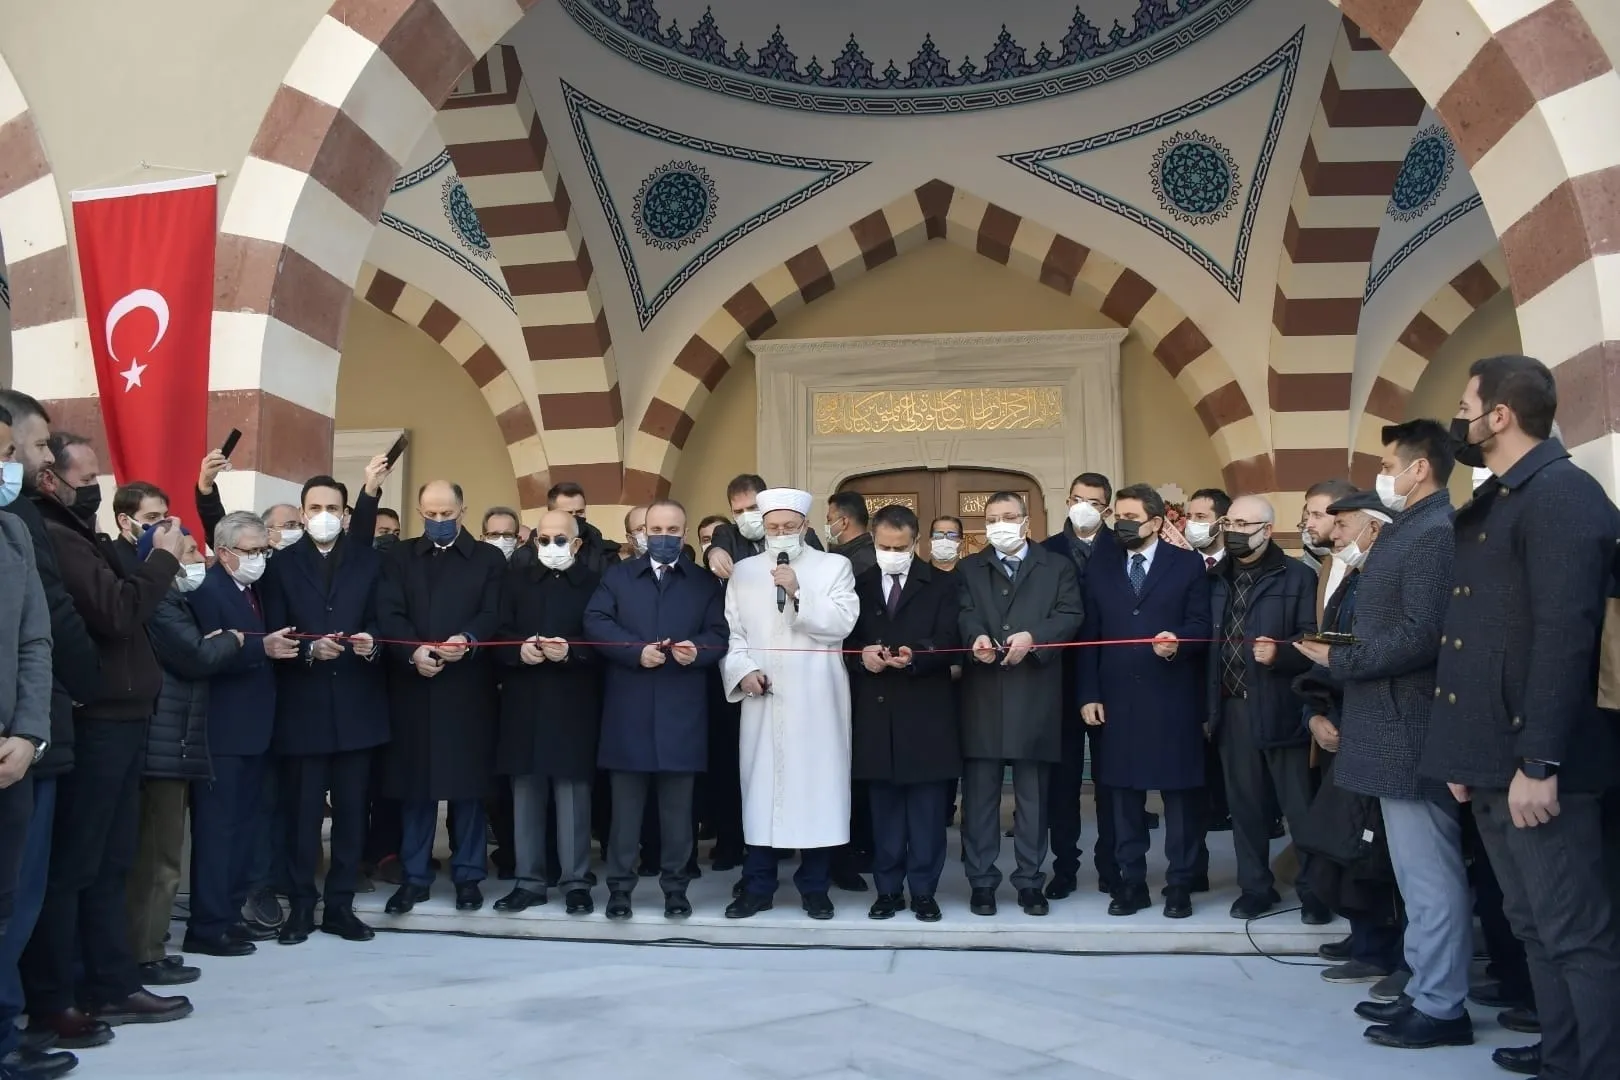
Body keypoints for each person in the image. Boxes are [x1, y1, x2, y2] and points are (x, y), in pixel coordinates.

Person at [1427, 355, 1620, 1080]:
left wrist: (1540, 763)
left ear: (1499, 415)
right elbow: (1476, 641)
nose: (1461, 417)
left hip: (1542, 766)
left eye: (1466, 403)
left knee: (1576, 932)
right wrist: (1464, 763)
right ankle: (1562, 1052)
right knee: (1534, 925)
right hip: (1491, 760)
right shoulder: (1507, 499)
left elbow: (1566, 639)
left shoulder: (1562, 495)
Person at [1295, 419, 1468, 1050]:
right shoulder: (1410, 531)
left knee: (1429, 878)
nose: (1383, 475)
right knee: (1414, 875)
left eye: (1389, 463)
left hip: (1407, 725)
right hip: (1387, 724)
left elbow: (1422, 635)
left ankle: (1443, 1004)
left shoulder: (1430, 535)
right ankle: (1427, 992)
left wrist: (1337, 660)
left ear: (1418, 468)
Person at [22, 432, 193, 1040]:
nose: (93, 487)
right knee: (77, 863)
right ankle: (59, 994)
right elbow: (119, 611)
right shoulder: (54, 535)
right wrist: (162, 559)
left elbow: (125, 592)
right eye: (84, 476)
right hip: (94, 719)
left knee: (113, 859)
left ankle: (112, 982)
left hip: (123, 717)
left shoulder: (83, 534)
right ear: (52, 479)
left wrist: (146, 551)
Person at [0, 392, 99, 1078]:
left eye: (17, 451)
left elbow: (35, 639)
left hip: (15, 750)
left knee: (10, 903)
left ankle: (4, 1036)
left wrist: (27, 732)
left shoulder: (11, 533)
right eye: (13, 452)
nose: (18, 466)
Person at [260, 467, 391, 945]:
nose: (323, 516)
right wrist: (309, 652)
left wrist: (371, 641)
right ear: (301, 512)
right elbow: (274, 631)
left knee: (354, 812)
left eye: (332, 508)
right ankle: (299, 906)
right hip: (304, 709)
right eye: (314, 508)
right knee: (302, 815)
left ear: (345, 513)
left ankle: (340, 906)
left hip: (358, 707)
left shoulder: (369, 561)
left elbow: (383, 619)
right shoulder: (279, 565)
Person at [585, 499, 727, 920]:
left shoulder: (702, 583)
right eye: (656, 529)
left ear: (684, 534)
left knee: (678, 812)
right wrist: (634, 651)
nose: (663, 537)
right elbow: (595, 622)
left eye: (672, 529)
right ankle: (620, 890)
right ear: (642, 532)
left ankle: (676, 888)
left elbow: (720, 632)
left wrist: (697, 651)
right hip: (628, 708)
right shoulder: (619, 577)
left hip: (682, 709)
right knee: (625, 811)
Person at [721, 488, 859, 920]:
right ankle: (758, 886)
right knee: (762, 795)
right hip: (763, 698)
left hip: (817, 699)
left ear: (806, 527)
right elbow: (735, 633)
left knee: (816, 793)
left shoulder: (834, 566)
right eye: (773, 527)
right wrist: (743, 670)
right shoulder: (743, 572)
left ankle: (815, 888)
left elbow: (842, 624)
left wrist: (799, 593)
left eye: (789, 527)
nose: (780, 535)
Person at [1078, 484, 1211, 918]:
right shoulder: (1101, 565)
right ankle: (1130, 883)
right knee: (1121, 798)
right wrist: (1089, 693)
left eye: (1132, 516)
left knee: (1179, 798)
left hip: (1172, 698)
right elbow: (1088, 636)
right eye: (1118, 514)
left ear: (1156, 522)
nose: (1122, 522)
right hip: (1116, 700)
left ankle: (1180, 885)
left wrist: (1179, 644)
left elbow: (1200, 625)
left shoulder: (1187, 564)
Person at [376, 481, 506, 915]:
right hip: (414, 682)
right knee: (417, 787)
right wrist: (413, 651)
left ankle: (469, 875)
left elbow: (493, 612)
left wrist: (466, 639)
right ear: (419, 511)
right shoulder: (399, 557)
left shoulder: (487, 558)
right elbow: (388, 612)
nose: (439, 522)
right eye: (430, 514)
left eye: (447, 514)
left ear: (463, 511)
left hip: (467, 686)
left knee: (467, 787)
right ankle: (414, 876)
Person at [1294, 490, 1404, 987]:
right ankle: (1363, 939)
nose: (1334, 536)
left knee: (1378, 851)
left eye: (1342, 526)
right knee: (1341, 842)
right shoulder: (1354, 579)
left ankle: (1388, 951)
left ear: (1374, 529)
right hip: (1344, 726)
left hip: (1386, 733)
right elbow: (1332, 650)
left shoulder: (1392, 581)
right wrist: (1316, 712)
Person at [957, 491, 1083, 918]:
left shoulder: (1057, 566)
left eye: (1009, 516)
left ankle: (1030, 881)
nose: (1000, 524)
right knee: (980, 798)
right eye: (992, 518)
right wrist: (973, 637)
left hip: (1036, 694)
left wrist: (1036, 638)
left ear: (1026, 521)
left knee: (1033, 800)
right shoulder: (968, 568)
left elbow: (1071, 614)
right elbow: (963, 612)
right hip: (983, 695)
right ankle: (982, 881)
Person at [181, 512, 299, 957]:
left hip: (255, 731)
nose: (258, 559)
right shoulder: (208, 591)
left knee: (244, 829)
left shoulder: (249, 591)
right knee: (217, 833)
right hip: (222, 732)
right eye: (250, 552)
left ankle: (229, 916)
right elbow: (207, 653)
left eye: (262, 550)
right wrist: (259, 647)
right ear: (225, 552)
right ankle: (207, 926)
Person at [1204, 496, 1322, 921]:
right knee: (1246, 807)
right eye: (1229, 522)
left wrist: (1283, 654)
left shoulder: (1297, 577)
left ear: (1267, 530)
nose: (1233, 530)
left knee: (1299, 809)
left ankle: (1314, 892)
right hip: (1232, 708)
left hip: (1282, 705)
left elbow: (1313, 640)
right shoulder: (1216, 578)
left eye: (1243, 523)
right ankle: (1255, 888)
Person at [844, 505, 961, 922]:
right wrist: (863, 657)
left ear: (916, 543)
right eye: (884, 546)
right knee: (885, 812)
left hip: (926, 713)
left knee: (928, 815)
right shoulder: (857, 584)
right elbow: (843, 640)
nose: (892, 552)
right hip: (876, 713)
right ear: (874, 541)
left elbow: (952, 638)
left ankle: (924, 892)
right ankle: (887, 890)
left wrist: (918, 655)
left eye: (900, 546)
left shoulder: (943, 585)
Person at [131, 525, 233, 986]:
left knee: (164, 856)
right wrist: (232, 638)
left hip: (175, 741)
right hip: (162, 744)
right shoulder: (161, 602)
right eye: (190, 550)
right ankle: (145, 953)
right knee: (160, 859)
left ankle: (149, 947)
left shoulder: (177, 599)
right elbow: (196, 656)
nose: (200, 557)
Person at [494, 510, 603, 916]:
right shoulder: (515, 582)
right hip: (524, 699)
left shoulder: (594, 584)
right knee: (526, 791)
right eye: (543, 539)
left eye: (560, 539)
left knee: (573, 792)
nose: (551, 547)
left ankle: (576, 882)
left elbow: (606, 640)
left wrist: (572, 652)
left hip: (573, 700)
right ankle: (529, 881)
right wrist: (517, 651)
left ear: (576, 544)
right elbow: (497, 635)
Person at [1042, 471, 1119, 899]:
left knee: (1111, 783)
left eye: (1092, 500)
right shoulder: (1048, 551)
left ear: (1106, 508)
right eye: (1076, 498)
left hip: (1111, 684)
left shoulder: (1121, 548)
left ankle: (1111, 865)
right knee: (1062, 785)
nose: (1083, 506)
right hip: (1059, 680)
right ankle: (1065, 868)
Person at [702, 473, 822, 582]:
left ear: (765, 505)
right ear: (732, 513)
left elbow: (822, 570)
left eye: (753, 508)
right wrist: (714, 553)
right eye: (739, 511)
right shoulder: (727, 533)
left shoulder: (802, 533)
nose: (746, 516)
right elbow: (714, 548)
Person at [825, 491, 876, 576]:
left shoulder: (862, 560)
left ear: (844, 522)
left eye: (829, 520)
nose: (827, 525)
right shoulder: (845, 553)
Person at [1183, 488, 1231, 571]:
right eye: (1189, 517)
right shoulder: (1181, 564)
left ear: (1222, 522)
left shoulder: (1239, 561)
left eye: (1200, 517)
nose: (1191, 522)